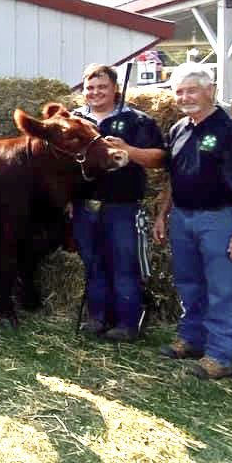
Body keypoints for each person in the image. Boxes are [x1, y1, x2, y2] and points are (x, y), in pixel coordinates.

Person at [153, 63, 232, 379]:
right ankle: (192, 340)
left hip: (219, 219)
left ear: (210, 90)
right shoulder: (178, 130)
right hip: (183, 218)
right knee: (189, 283)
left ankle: (221, 356)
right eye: (179, 91)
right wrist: (163, 214)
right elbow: (173, 178)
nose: (185, 96)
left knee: (222, 289)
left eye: (192, 89)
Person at [70, 64, 166, 342]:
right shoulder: (76, 121)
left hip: (122, 205)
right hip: (84, 204)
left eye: (102, 87)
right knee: (93, 264)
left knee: (124, 265)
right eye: (90, 87)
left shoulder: (137, 120)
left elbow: (159, 159)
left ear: (115, 89)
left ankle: (126, 323)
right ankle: (97, 317)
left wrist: (129, 150)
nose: (95, 92)